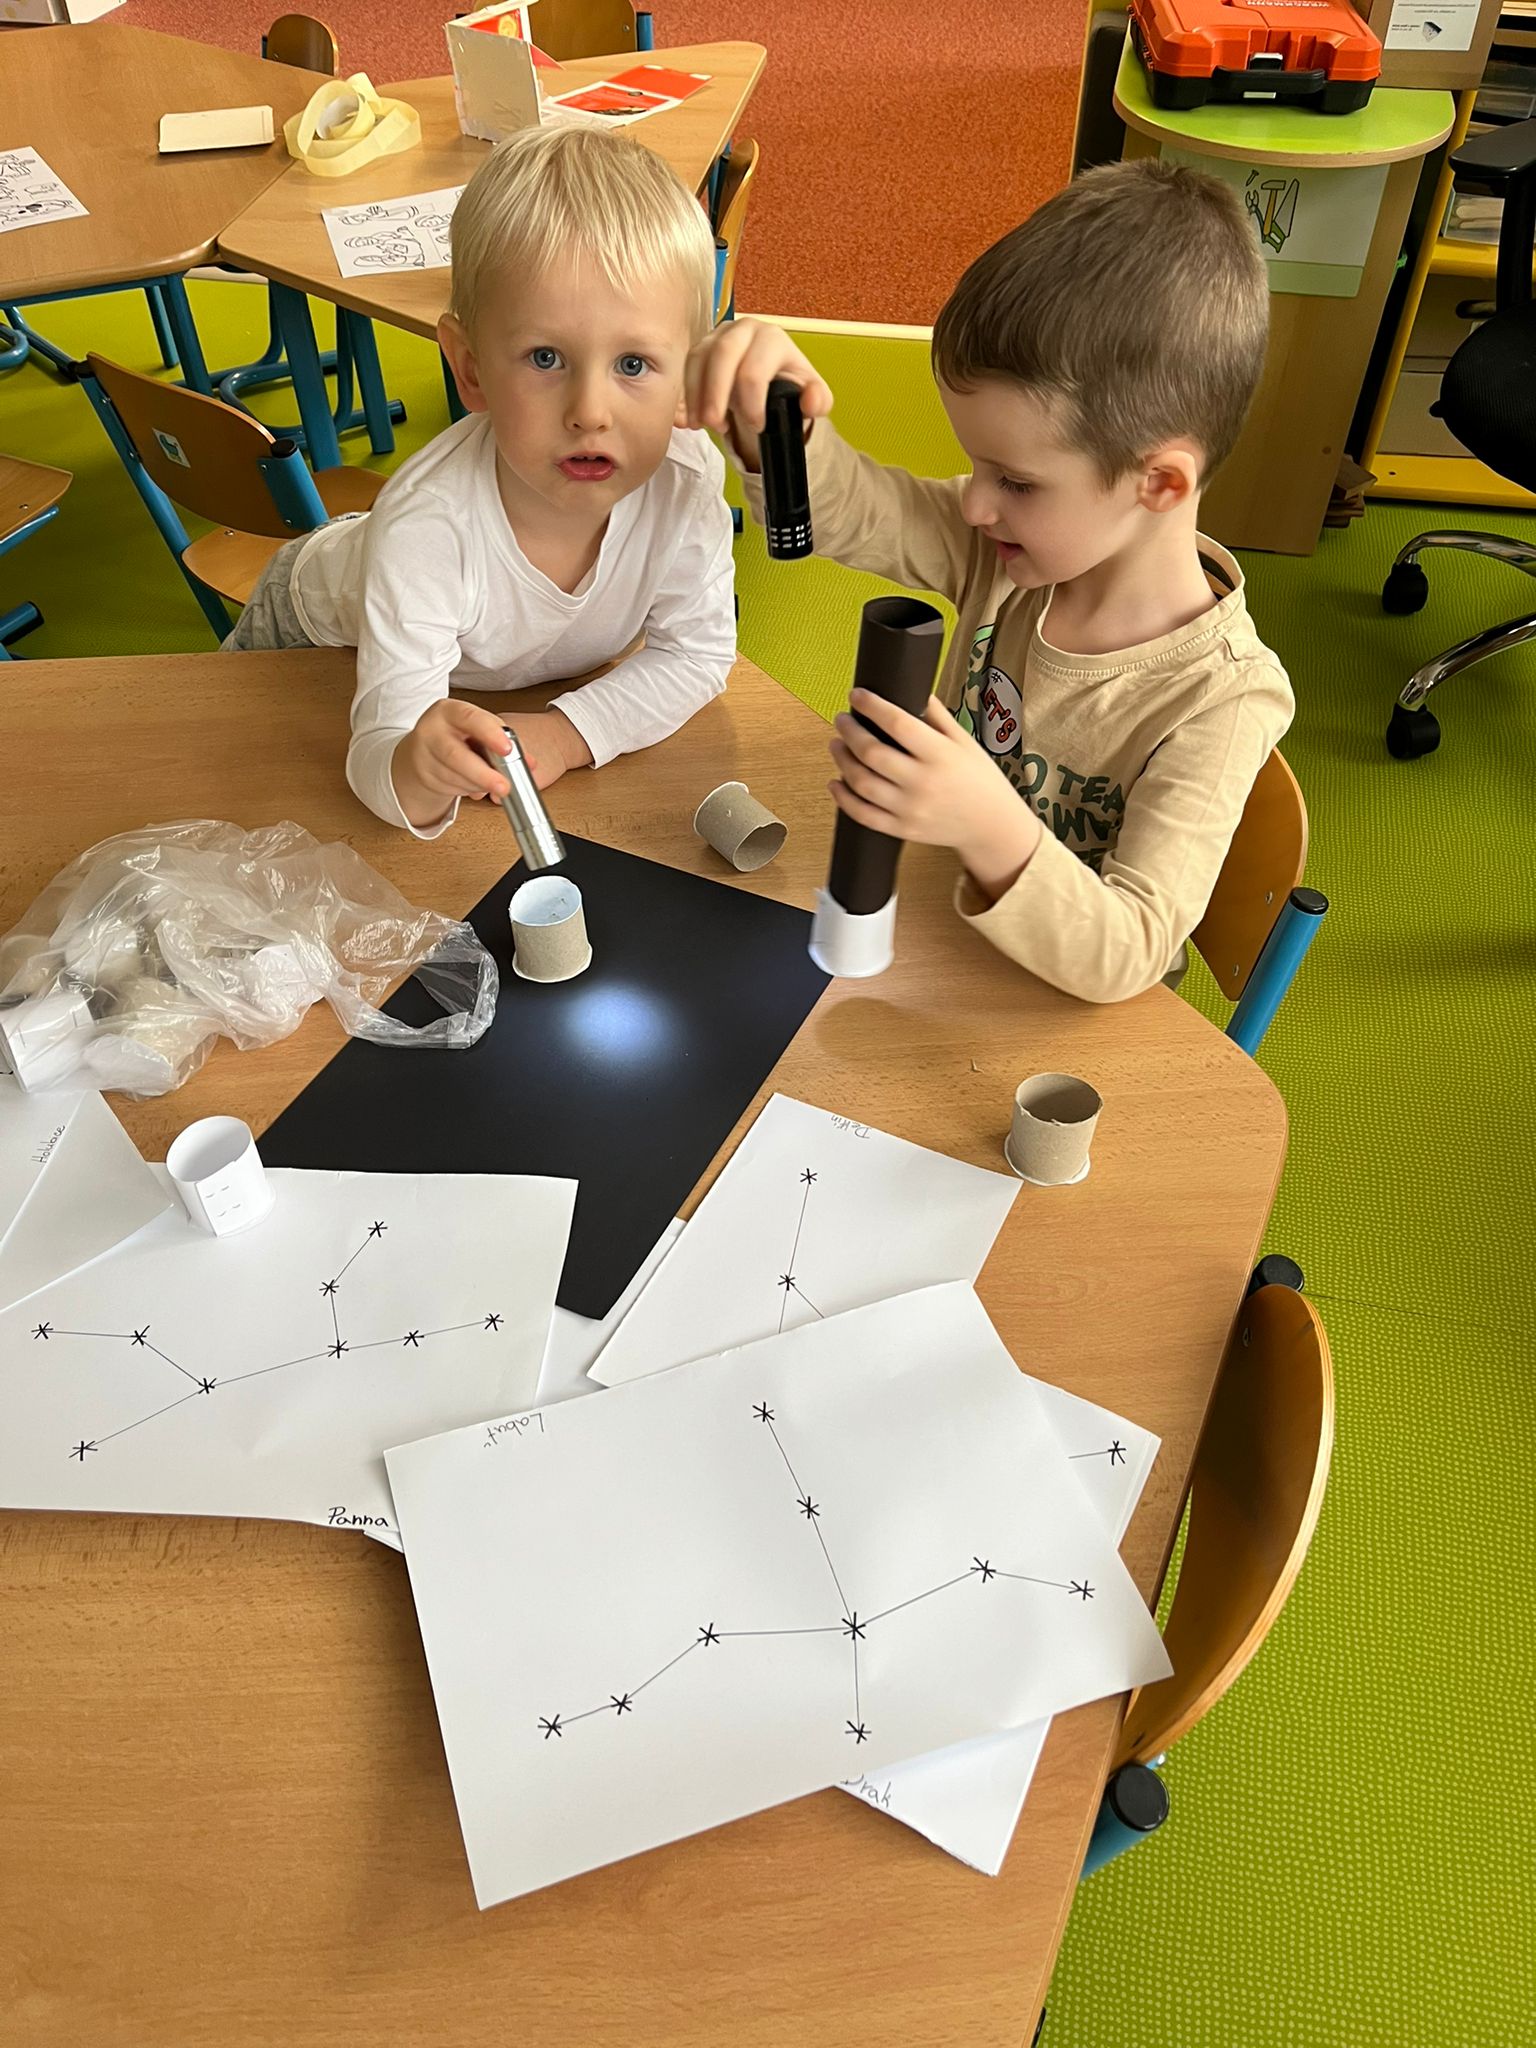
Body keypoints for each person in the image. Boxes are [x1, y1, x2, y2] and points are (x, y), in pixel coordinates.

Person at [686, 159, 1295, 1003]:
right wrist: (772, 424)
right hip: (930, 932)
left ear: (1158, 484)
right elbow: (852, 510)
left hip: (1050, 1007)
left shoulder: (1221, 699)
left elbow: (1131, 952)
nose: (976, 503)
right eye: (978, 466)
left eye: (1015, 481)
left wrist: (986, 823)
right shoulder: (1012, 552)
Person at [226, 124, 735, 837]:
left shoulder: (685, 478)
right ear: (469, 369)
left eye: (633, 364)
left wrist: (566, 733)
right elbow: (381, 750)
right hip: (313, 628)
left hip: (495, 661)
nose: (590, 412)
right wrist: (413, 772)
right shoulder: (427, 529)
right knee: (226, 782)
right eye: (546, 357)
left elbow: (697, 655)